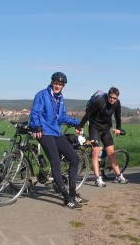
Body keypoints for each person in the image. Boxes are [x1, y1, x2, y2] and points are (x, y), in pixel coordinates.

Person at [29, 72, 88, 209]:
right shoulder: (42, 94)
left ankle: (73, 193)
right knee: (55, 162)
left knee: (74, 159)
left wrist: (76, 124)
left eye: (60, 84)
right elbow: (35, 112)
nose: (58, 86)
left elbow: (62, 117)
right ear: (52, 82)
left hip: (56, 132)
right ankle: (66, 198)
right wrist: (36, 126)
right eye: (56, 83)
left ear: (63, 86)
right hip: (44, 132)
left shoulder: (60, 98)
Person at [76, 87, 128, 187]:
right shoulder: (99, 101)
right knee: (95, 151)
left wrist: (118, 128)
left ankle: (119, 175)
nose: (112, 99)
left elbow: (118, 116)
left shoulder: (117, 103)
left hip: (105, 128)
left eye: (115, 98)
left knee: (111, 152)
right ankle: (98, 178)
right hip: (94, 128)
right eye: (111, 97)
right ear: (108, 95)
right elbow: (88, 114)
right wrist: (80, 126)